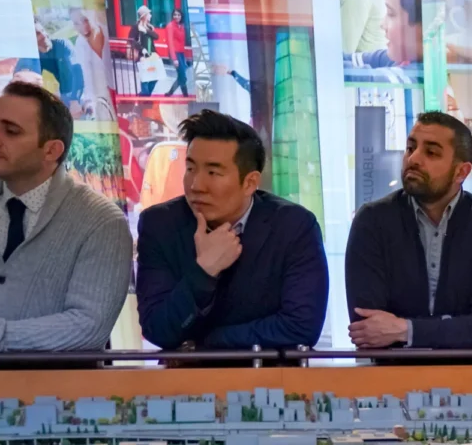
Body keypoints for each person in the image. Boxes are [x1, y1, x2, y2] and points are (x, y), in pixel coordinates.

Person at [0, 82, 131, 352]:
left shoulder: (100, 221)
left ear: (51, 151)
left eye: (11, 131)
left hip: (60, 390)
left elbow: (88, 326)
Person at [135, 110, 328, 350]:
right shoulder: (160, 224)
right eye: (191, 168)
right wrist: (204, 271)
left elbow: (301, 327)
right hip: (186, 380)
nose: (196, 185)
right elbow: (158, 329)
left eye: (213, 173)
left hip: (272, 377)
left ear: (249, 183)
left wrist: (207, 342)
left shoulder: (294, 227)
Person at [345, 112, 472, 349]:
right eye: (410, 148)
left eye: (431, 152)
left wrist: (405, 329)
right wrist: (453, 328)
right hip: (390, 375)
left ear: (461, 172)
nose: (414, 159)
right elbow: (367, 327)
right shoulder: (372, 221)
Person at [345, 0, 422, 70]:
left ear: (419, 29)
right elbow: (346, 59)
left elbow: (367, 77)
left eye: (391, 14)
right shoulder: (394, 59)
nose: (382, 24)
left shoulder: (412, 76)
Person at [129, 5, 162, 96]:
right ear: (144, 16)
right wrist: (142, 49)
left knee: (156, 77)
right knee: (145, 79)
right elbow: (131, 40)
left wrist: (145, 31)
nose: (150, 15)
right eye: (149, 14)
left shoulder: (149, 27)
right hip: (142, 56)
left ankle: (144, 96)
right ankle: (145, 99)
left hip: (152, 55)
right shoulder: (136, 27)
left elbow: (156, 37)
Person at [162, 8, 192, 97]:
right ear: (172, 16)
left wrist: (184, 58)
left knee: (181, 76)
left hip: (181, 54)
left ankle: (173, 94)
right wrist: (174, 59)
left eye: (178, 15)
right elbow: (170, 43)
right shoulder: (170, 26)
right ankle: (182, 94)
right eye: (175, 15)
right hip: (174, 54)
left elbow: (182, 43)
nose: (176, 17)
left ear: (181, 16)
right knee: (183, 76)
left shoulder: (181, 26)